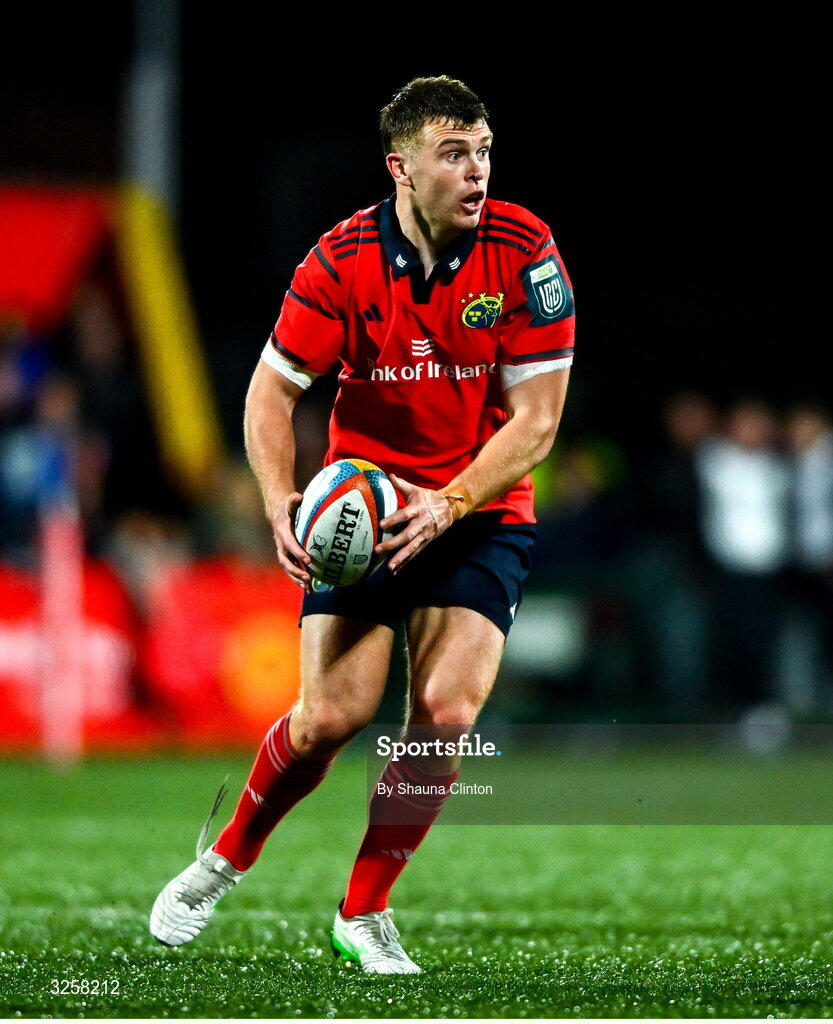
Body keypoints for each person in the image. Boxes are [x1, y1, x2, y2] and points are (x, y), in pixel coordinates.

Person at [150, 76, 574, 973]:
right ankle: (223, 860)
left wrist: (452, 501)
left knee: (445, 714)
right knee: (328, 720)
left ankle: (363, 911)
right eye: (453, 153)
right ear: (401, 166)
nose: (477, 171)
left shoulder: (526, 250)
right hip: (367, 509)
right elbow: (273, 391)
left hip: (479, 504)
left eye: (484, 151)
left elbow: (536, 423)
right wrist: (277, 498)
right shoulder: (338, 261)